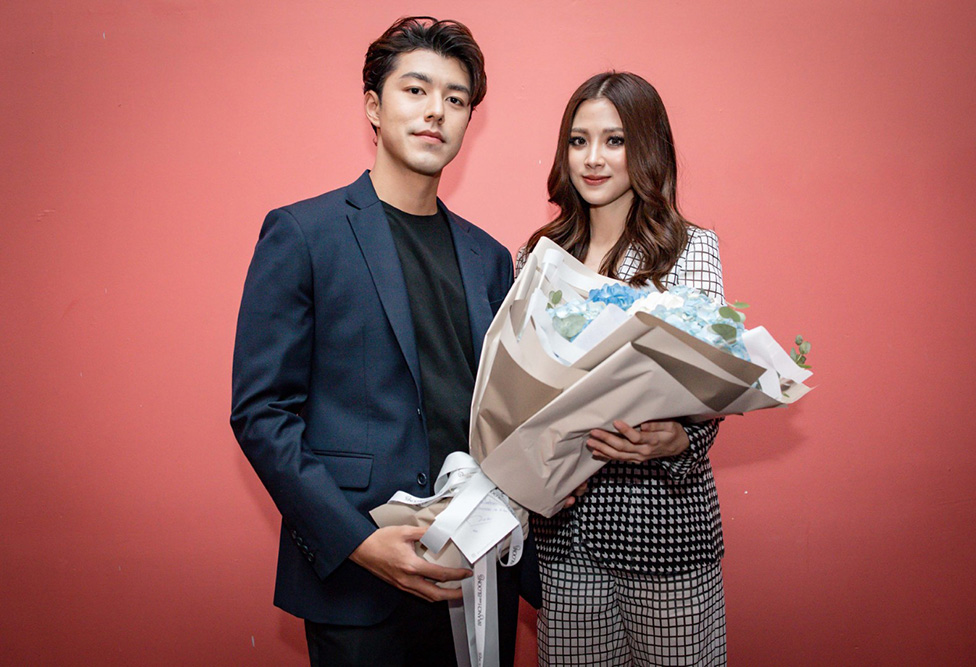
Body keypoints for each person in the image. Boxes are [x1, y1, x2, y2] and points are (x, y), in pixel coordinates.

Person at [230, 17, 531, 667]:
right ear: (373, 105)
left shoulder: (488, 257)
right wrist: (359, 542)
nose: (436, 111)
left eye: (456, 99)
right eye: (416, 90)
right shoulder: (303, 234)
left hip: (475, 571)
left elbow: (500, 410)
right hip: (359, 581)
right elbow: (261, 413)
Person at [518, 72, 728, 665]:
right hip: (564, 537)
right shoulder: (538, 256)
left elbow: (711, 382)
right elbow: (522, 387)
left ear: (647, 148)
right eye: (578, 140)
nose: (593, 158)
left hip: (666, 530)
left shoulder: (691, 249)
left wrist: (682, 439)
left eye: (614, 140)